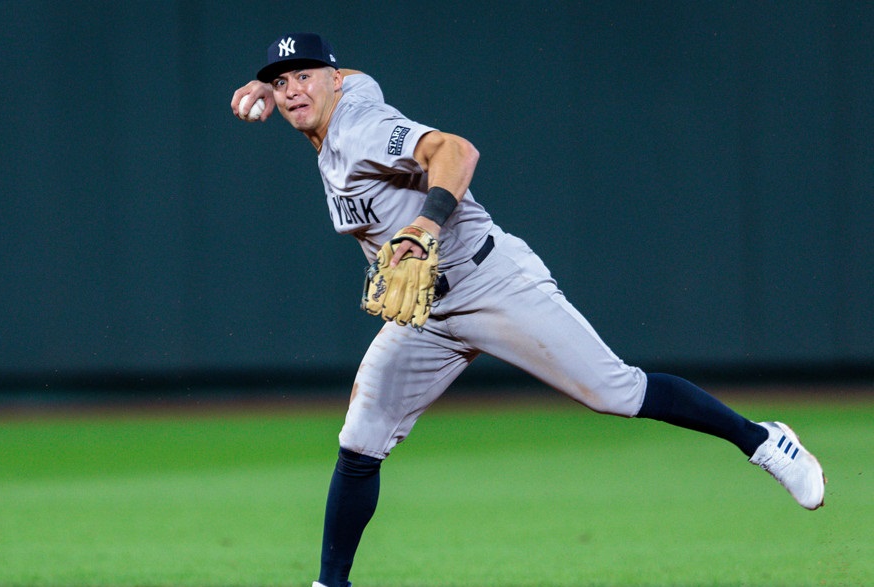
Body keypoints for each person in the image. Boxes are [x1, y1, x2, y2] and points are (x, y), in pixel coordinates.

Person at [231, 33, 826, 587]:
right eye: (281, 83)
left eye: (304, 77)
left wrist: (424, 221)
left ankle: (766, 442)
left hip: (490, 282)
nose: (292, 91)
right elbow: (340, 77)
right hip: (427, 316)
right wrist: (276, 84)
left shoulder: (359, 123)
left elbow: (455, 150)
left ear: (334, 80)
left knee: (615, 393)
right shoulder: (348, 91)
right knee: (360, 440)